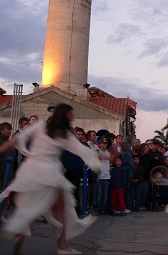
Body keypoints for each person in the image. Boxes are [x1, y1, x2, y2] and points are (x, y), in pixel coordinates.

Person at [0, 103, 100, 255]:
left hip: (30, 171)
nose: (72, 118)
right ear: (65, 116)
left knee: (31, 207)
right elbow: (82, 151)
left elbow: (18, 138)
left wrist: (1, 149)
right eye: (71, 115)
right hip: (49, 173)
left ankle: (20, 237)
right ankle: (62, 246)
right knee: (62, 210)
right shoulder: (65, 135)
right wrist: (97, 162)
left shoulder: (39, 125)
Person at [96, 136, 111, 216]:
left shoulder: (108, 154)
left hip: (106, 176)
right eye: (103, 143)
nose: (104, 145)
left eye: (106, 143)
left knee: (105, 195)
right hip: (99, 176)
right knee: (99, 195)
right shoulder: (97, 153)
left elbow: (109, 164)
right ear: (100, 144)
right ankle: (98, 209)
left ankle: (104, 209)